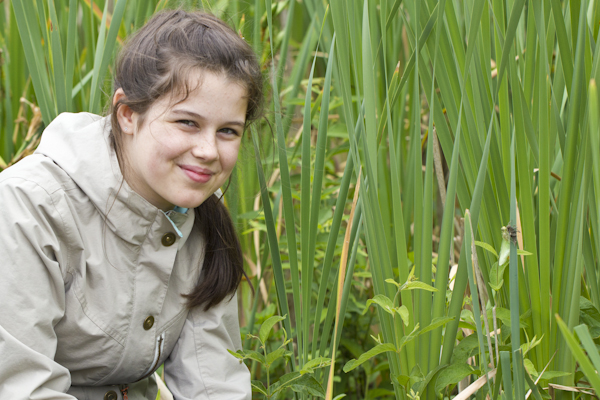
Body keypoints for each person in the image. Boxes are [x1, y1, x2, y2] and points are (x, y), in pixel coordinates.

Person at [0, 9, 263, 400]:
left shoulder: (203, 224)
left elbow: (214, 385)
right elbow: (22, 389)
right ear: (127, 114)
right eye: (187, 122)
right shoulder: (27, 208)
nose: (208, 151)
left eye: (228, 131)